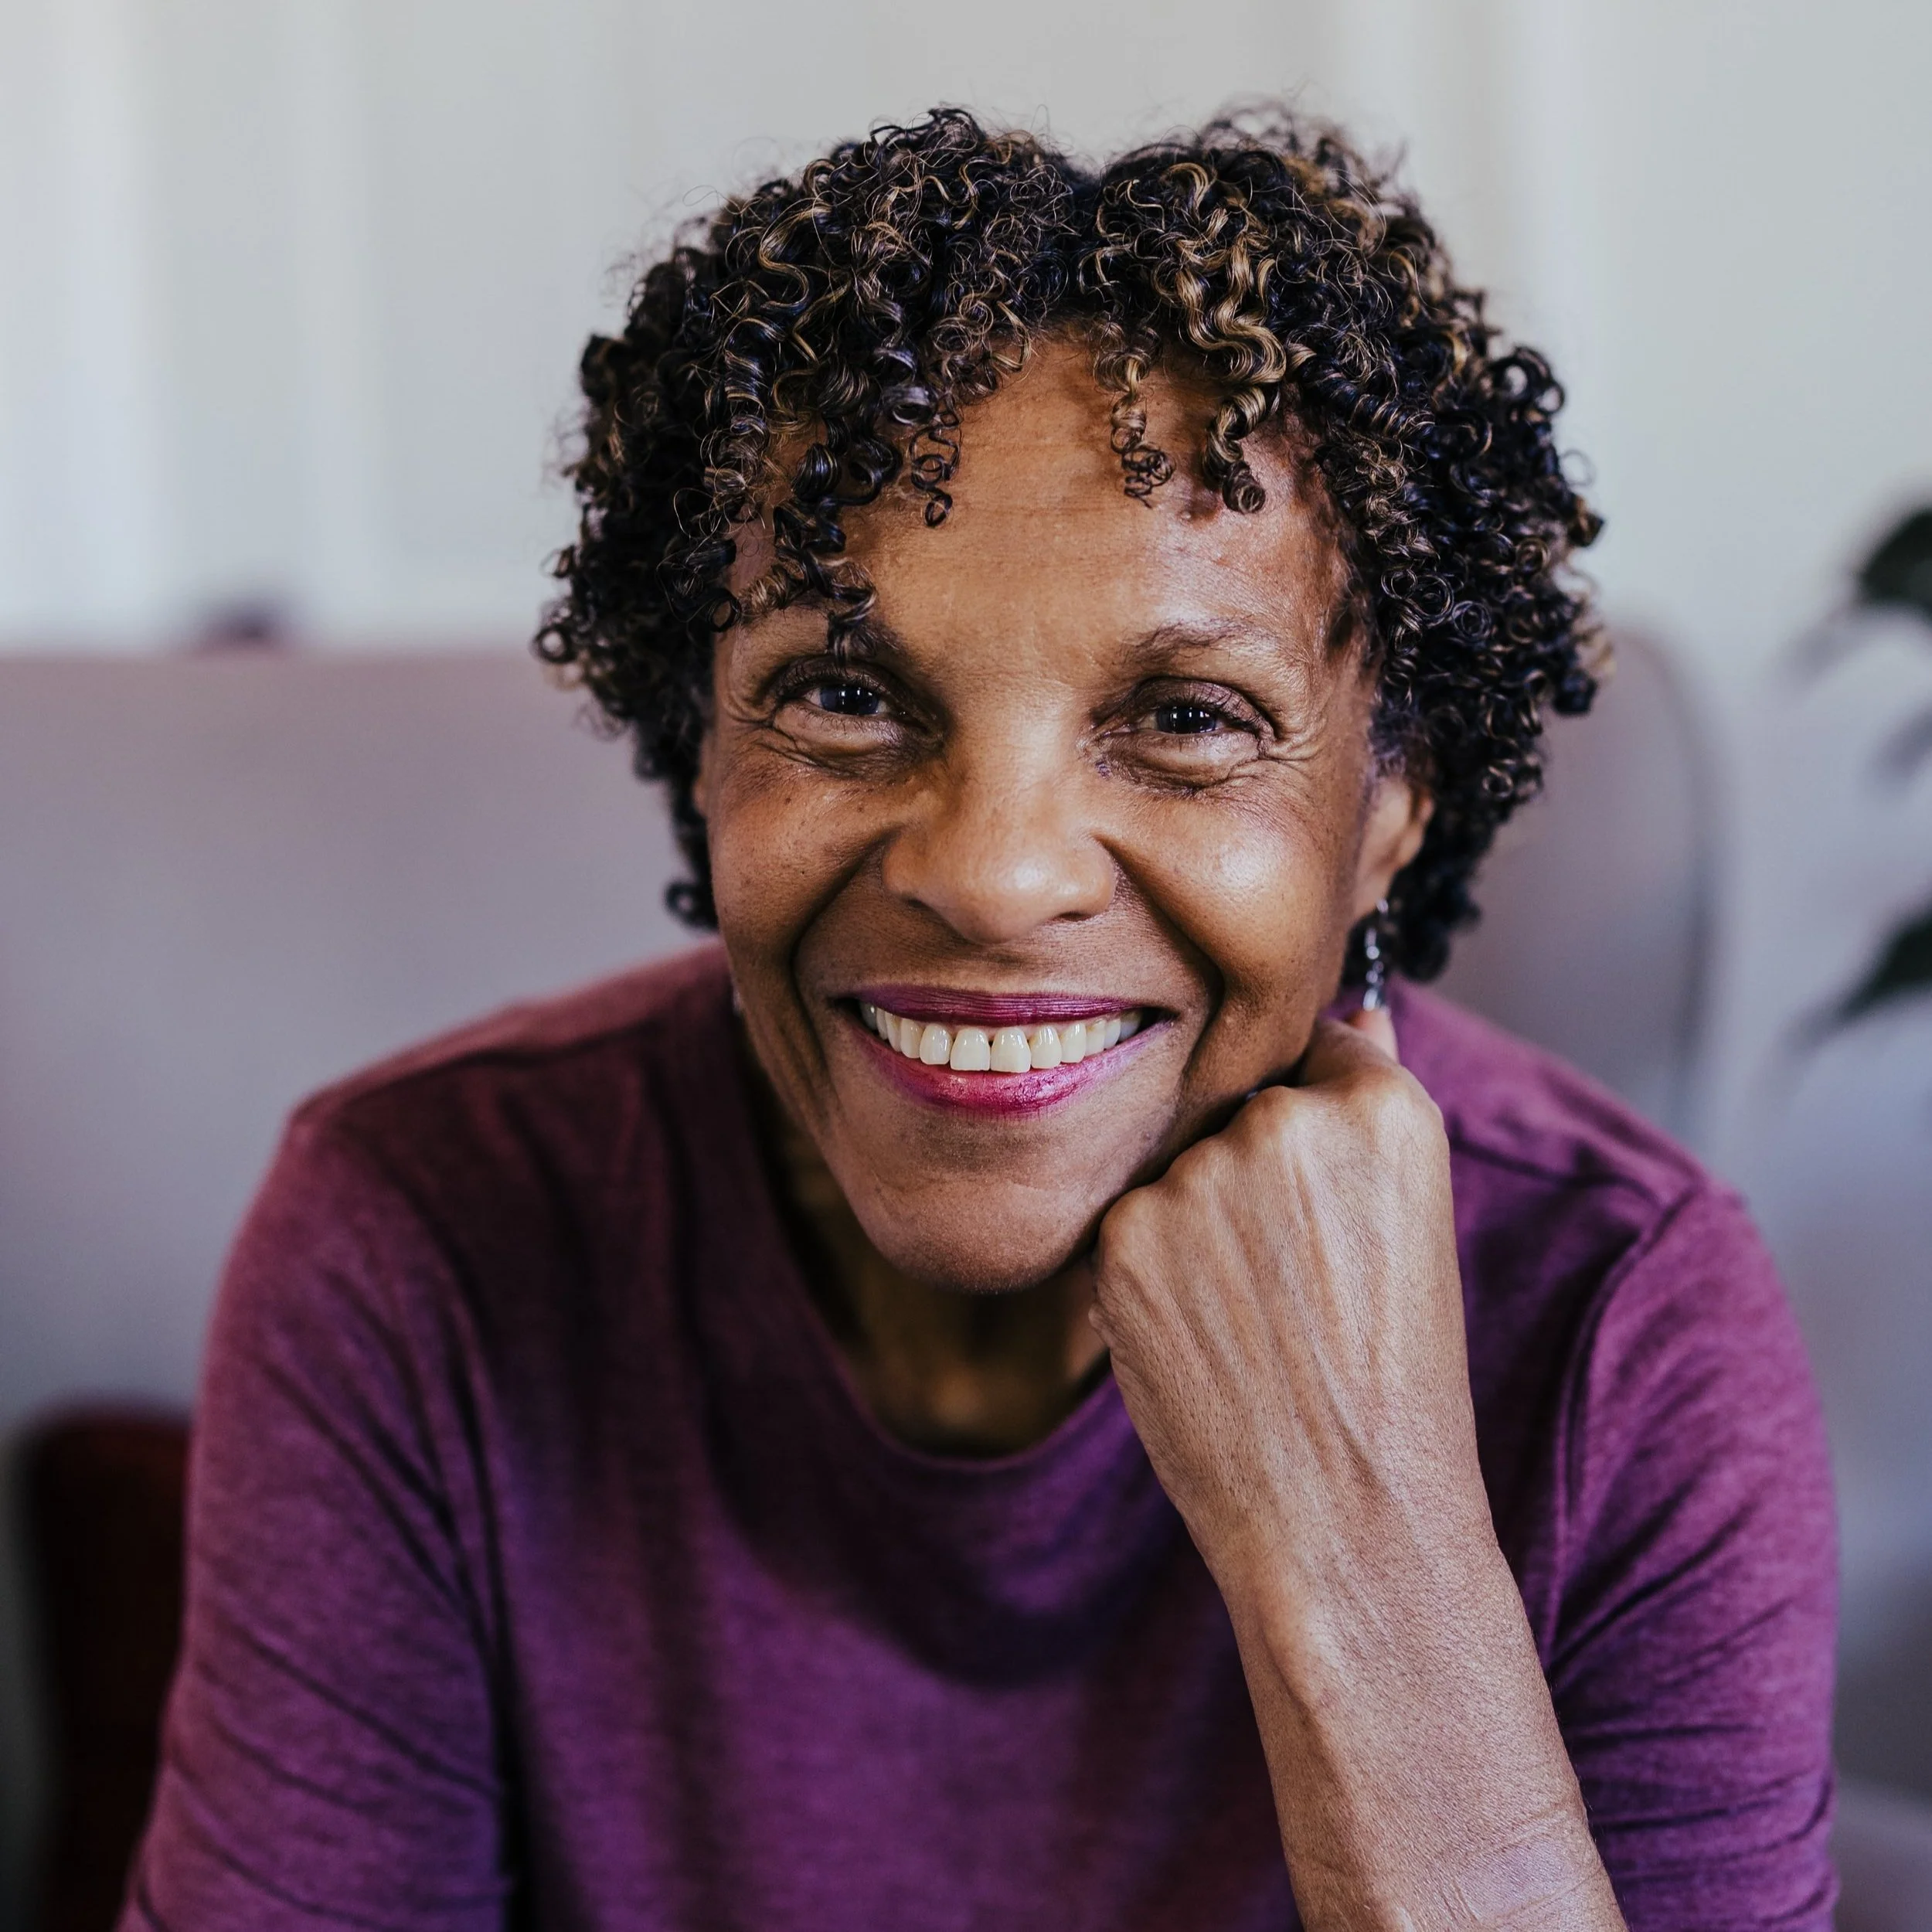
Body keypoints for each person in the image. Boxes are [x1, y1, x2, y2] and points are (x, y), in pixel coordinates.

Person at [121, 110, 1835, 1930]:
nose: (996, 874)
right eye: (843, 691)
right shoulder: (423, 1239)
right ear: (696, 739)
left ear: (1387, 808)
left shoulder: (1619, 1324)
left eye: (1185, 714)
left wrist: (1360, 1552)